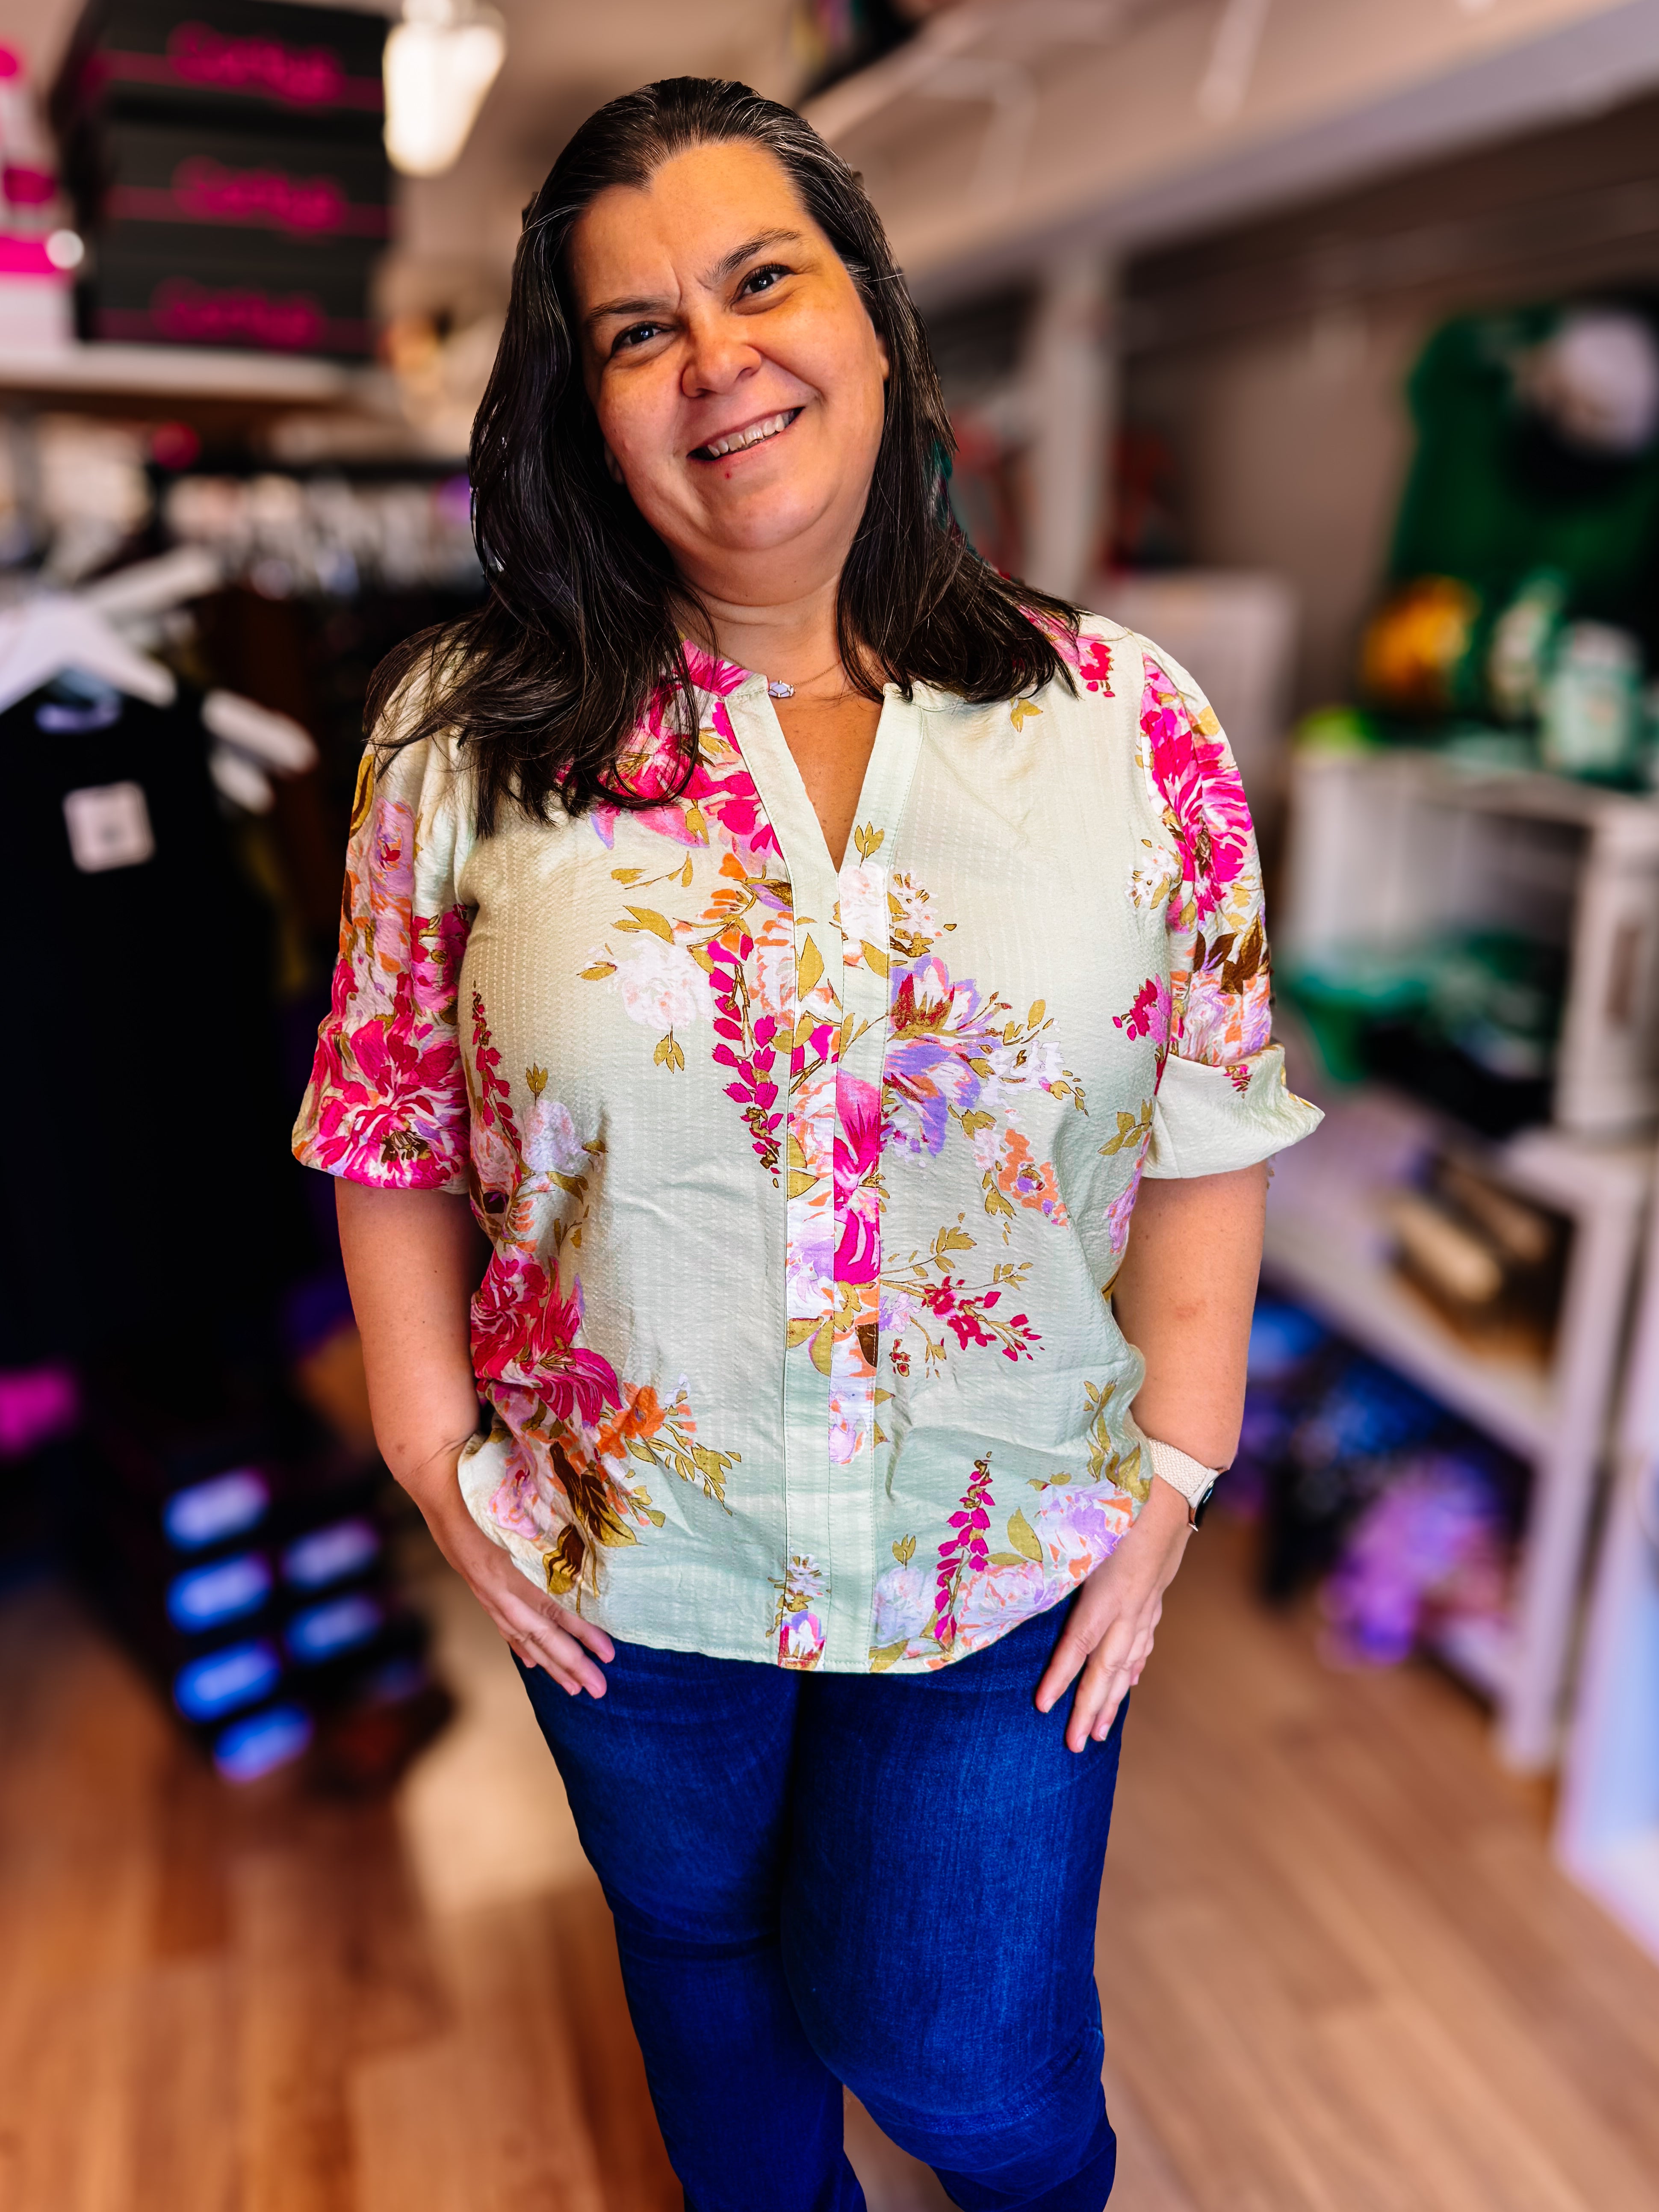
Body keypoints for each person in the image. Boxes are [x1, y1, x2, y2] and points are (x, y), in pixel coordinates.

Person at [295, 76, 1320, 2212]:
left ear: (871, 314)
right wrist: (431, 1458)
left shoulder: (1124, 722)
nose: (715, 359)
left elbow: (1213, 1112)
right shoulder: (459, 739)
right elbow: (385, 1120)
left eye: (761, 281)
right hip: (624, 1561)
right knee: (701, 1970)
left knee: (970, 2066)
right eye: (636, 328)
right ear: (583, 411)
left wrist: (1176, 1472)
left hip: (1002, 1551)